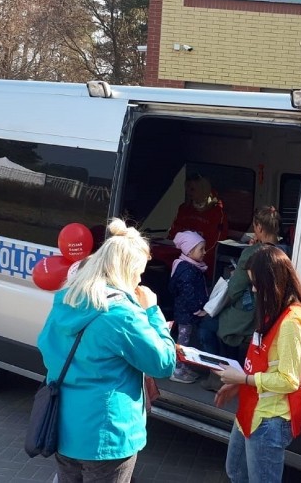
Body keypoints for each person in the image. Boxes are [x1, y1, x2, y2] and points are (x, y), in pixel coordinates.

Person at [37, 218, 176, 483]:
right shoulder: (122, 314)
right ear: (126, 270)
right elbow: (164, 362)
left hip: (64, 427)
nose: (139, 279)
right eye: (139, 272)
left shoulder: (67, 299)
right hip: (107, 435)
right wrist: (151, 311)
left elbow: (46, 350)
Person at [213, 245, 301, 483]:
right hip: (251, 409)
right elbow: (263, 362)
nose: (254, 290)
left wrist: (243, 380)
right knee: (236, 472)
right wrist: (239, 385)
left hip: (268, 419)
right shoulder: (275, 310)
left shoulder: (291, 322)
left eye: (257, 284)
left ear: (272, 282)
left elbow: (289, 379)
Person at [216, 206, 284, 361]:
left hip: (251, 313)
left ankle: (222, 375)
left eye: (255, 226)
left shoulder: (251, 253)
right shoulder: (286, 251)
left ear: (259, 227)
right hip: (274, 311)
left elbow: (235, 289)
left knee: (213, 326)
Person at [168, 231, 209, 383]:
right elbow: (188, 294)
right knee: (183, 342)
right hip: (186, 313)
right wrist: (197, 309)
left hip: (186, 312)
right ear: (189, 251)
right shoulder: (187, 271)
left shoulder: (188, 267)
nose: (204, 252)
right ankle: (177, 369)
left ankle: (183, 366)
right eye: (201, 249)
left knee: (185, 340)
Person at [168, 173, 229, 275]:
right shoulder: (184, 208)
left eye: (192, 189)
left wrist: (196, 256)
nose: (188, 193)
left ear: (203, 190)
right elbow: (174, 232)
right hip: (180, 259)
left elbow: (216, 243)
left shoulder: (217, 213)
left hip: (203, 262)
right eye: (187, 189)